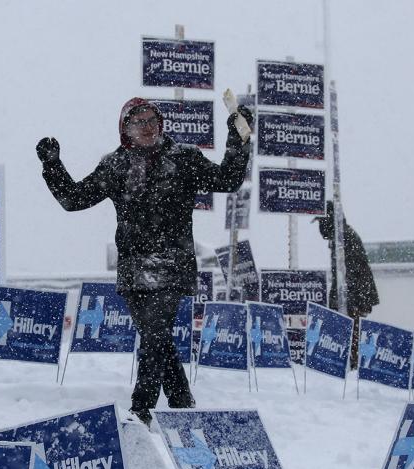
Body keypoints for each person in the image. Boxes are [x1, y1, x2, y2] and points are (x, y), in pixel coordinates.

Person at [36, 98, 253, 426]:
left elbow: (228, 179)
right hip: (134, 269)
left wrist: (238, 139)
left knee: (153, 334)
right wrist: (53, 165)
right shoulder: (116, 165)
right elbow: (73, 199)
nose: (148, 127)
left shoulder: (183, 158)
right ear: (125, 129)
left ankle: (142, 410)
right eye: (139, 123)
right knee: (159, 338)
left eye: (153, 120)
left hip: (172, 263)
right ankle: (181, 401)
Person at [314, 201, 379, 367]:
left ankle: (351, 369)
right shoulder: (341, 237)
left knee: (351, 341)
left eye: (321, 222)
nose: (320, 229)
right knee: (348, 340)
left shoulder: (344, 238)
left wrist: (352, 301)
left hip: (352, 300)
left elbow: (354, 273)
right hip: (351, 298)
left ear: (329, 220)